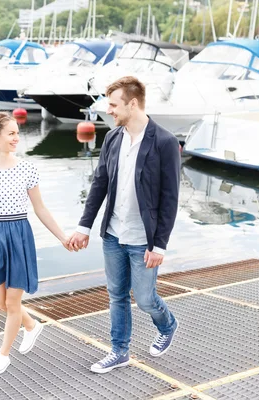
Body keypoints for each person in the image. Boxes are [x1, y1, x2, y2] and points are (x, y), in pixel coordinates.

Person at [67, 76, 181, 374]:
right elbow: (100, 183)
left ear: (133, 103)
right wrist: (84, 226)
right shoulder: (112, 138)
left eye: (114, 104)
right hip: (114, 235)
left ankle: (167, 324)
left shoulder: (165, 142)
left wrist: (160, 245)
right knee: (117, 295)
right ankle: (119, 351)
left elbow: (170, 197)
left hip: (144, 239)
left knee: (144, 299)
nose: (110, 110)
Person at [0, 111, 70, 376]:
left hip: (19, 235)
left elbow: (40, 208)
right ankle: (32, 325)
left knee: (12, 304)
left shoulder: (26, 168)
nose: (16, 139)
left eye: (17, 134)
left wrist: (63, 237)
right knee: (0, 301)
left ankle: (3, 355)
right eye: (11, 134)